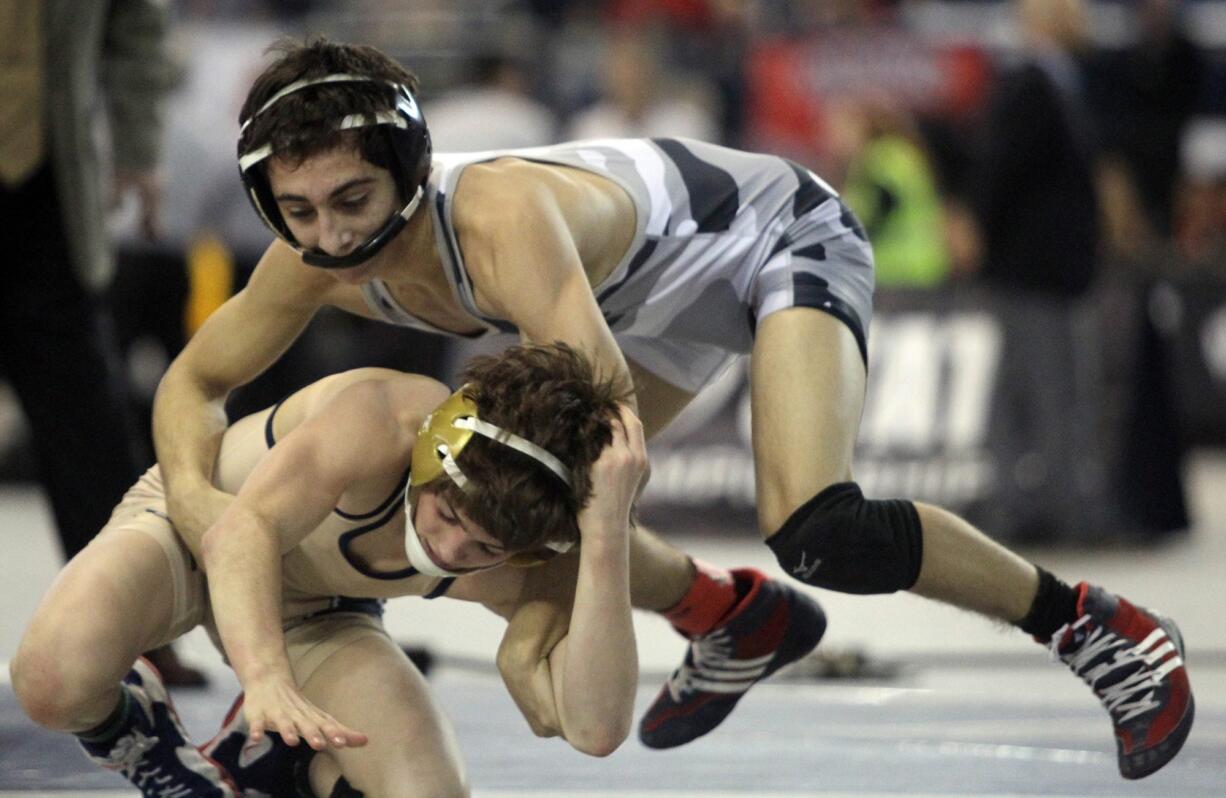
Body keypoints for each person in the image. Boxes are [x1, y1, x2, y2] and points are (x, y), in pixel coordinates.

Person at [153, 37, 1193, 779]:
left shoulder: (500, 221)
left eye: (351, 204)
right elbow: (192, 384)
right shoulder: (308, 263)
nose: (331, 238)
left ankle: (1097, 629)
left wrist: (534, 630)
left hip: (770, 238)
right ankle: (728, 614)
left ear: (410, 172)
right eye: (298, 213)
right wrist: (199, 504)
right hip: (639, 299)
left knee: (816, 528)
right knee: (503, 498)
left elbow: (602, 429)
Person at [10, 342, 679, 796]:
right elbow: (242, 533)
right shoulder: (384, 418)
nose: (448, 553)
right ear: (431, 451)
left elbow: (593, 728)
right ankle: (146, 747)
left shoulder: (540, 544)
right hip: (195, 533)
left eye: (484, 552)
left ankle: (284, 766)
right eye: (446, 515)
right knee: (50, 678)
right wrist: (265, 678)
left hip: (320, 612)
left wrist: (606, 535)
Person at [0, 0, 204, 686]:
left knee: (88, 420)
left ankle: (130, 624)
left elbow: (137, 32)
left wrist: (138, 150)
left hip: (48, 191)